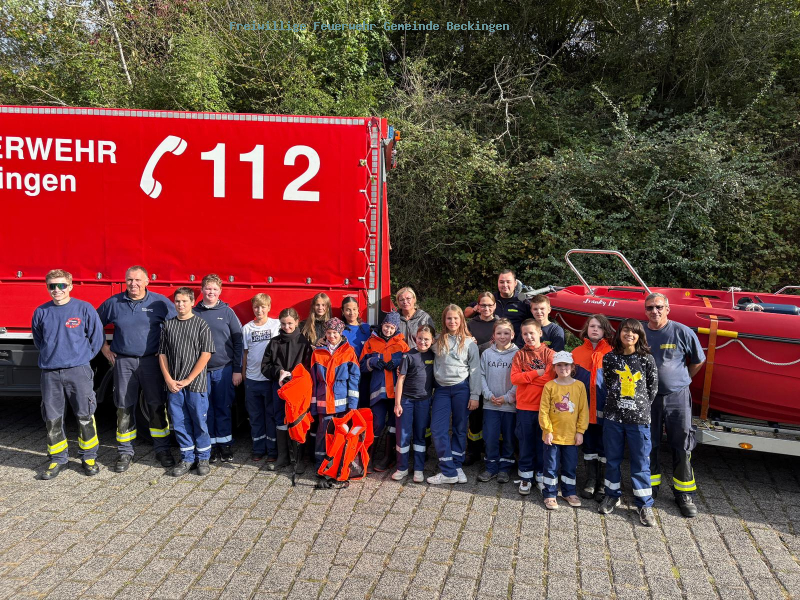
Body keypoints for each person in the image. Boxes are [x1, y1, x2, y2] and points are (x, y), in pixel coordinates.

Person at [98, 265, 177, 473]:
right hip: (123, 362)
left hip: (151, 362)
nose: (133, 284)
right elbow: (93, 325)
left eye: (138, 280)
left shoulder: (159, 303)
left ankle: (162, 449)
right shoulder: (114, 303)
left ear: (147, 281)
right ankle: (125, 451)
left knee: (156, 405)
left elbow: (178, 325)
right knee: (124, 406)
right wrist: (103, 347)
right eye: (129, 280)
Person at [32, 269, 104, 479]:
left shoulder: (84, 309)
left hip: (78, 371)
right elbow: (39, 340)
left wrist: (81, 358)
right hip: (50, 373)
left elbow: (97, 338)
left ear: (70, 286)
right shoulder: (41, 312)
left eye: (61, 285)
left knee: (84, 414)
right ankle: (58, 459)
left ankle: (89, 457)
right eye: (52, 286)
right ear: (47, 288)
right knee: (52, 417)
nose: (57, 290)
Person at [643, 292, 706, 518]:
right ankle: (650, 486)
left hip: (677, 397)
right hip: (648, 399)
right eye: (650, 308)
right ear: (645, 311)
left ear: (667, 308)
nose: (654, 311)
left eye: (659, 307)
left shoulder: (682, 331)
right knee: (649, 443)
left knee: (682, 443)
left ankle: (684, 493)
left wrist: (683, 379)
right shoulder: (640, 332)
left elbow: (698, 360)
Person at [599, 318, 659, 526]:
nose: (629, 335)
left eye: (634, 332)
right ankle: (611, 495)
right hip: (613, 418)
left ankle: (644, 504)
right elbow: (608, 383)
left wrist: (638, 407)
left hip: (638, 420)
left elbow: (652, 388)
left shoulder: (646, 359)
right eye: (625, 330)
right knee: (612, 459)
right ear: (619, 333)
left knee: (641, 462)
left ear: (639, 336)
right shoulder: (609, 359)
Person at [158, 287, 215, 477]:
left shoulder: (201, 324)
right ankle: (187, 458)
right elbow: (162, 354)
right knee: (180, 422)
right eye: (177, 301)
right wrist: (168, 379)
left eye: (184, 301)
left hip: (195, 384)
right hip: (174, 384)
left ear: (192, 302)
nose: (180, 305)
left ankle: (203, 457)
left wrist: (189, 378)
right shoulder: (168, 325)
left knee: (199, 420)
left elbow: (206, 354)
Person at [427, 305, 480, 485]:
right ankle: (448, 469)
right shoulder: (437, 341)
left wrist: (475, 395)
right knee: (438, 428)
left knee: (459, 428)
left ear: (461, 320)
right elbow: (421, 344)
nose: (452, 322)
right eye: (449, 318)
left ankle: (457, 466)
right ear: (444, 321)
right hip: (442, 390)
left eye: (456, 318)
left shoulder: (470, 343)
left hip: (462, 389)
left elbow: (475, 371)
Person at [193, 274, 243, 464]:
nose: (211, 292)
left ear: (220, 291)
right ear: (202, 290)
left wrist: (237, 369)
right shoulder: (195, 312)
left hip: (224, 369)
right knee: (205, 410)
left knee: (223, 408)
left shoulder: (228, 312)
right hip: (201, 371)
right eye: (208, 288)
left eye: (214, 289)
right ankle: (210, 447)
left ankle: (225, 446)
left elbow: (238, 341)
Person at [261, 307, 312, 473]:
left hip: (298, 390)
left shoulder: (304, 343)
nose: (286, 327)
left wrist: (295, 376)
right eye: (283, 324)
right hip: (279, 388)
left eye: (290, 323)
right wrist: (278, 373)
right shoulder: (274, 342)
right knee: (280, 419)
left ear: (297, 322)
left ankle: (298, 459)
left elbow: (309, 367)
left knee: (297, 421)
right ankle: (282, 457)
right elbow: (265, 366)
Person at [359, 311, 409, 472]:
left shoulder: (402, 344)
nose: (388, 330)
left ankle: (388, 457)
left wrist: (398, 362)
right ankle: (368, 455)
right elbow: (360, 366)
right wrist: (372, 362)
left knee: (393, 424)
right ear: (382, 325)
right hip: (378, 393)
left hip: (396, 393)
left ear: (397, 328)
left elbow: (410, 365)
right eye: (387, 326)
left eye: (392, 327)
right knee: (376, 423)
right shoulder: (371, 342)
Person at [510, 319, 556, 495]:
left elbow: (550, 378)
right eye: (525, 334)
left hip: (544, 408)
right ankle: (525, 477)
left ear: (540, 333)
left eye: (532, 333)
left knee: (543, 443)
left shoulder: (550, 354)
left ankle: (540, 476)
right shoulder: (519, 355)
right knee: (525, 442)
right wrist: (537, 373)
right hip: (524, 406)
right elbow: (514, 379)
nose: (529, 337)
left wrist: (526, 377)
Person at [310, 318, 360, 471]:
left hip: (342, 405)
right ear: (325, 334)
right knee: (322, 433)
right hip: (323, 404)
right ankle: (320, 462)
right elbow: (313, 382)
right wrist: (312, 407)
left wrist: (352, 405)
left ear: (341, 333)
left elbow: (354, 380)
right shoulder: (317, 353)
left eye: (335, 333)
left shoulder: (349, 352)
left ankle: (338, 461)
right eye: (329, 333)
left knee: (340, 434)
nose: (332, 336)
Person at [539, 351, 588, 509]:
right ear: (554, 367)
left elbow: (583, 411)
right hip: (552, 436)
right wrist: (547, 430)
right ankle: (550, 494)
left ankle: (569, 492)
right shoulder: (550, 386)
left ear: (572, 366)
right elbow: (544, 410)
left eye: (566, 365)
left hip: (571, 437)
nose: (563, 368)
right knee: (551, 465)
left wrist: (580, 431)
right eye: (559, 365)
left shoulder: (579, 386)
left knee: (570, 465)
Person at [572, 314, 613, 501]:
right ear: (586, 330)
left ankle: (603, 483)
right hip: (584, 411)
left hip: (606, 410)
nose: (595, 329)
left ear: (605, 330)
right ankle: (590, 479)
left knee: (605, 447)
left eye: (599, 326)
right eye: (591, 326)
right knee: (588, 446)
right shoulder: (576, 353)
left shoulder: (612, 353)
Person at [392, 324, 436, 483]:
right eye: (419, 338)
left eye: (426, 339)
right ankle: (402, 468)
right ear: (414, 338)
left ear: (432, 340)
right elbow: (400, 380)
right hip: (406, 401)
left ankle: (418, 469)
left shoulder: (434, 355)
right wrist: (398, 404)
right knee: (403, 434)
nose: (422, 342)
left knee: (420, 435)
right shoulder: (408, 356)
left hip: (424, 402)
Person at [477, 319, 518, 484]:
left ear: (513, 335)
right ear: (493, 335)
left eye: (506, 333)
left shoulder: (518, 354)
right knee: (490, 436)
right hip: (491, 404)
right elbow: (480, 376)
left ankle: (505, 468)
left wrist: (508, 397)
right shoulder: (487, 354)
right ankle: (491, 467)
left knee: (509, 438)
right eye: (499, 333)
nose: (503, 336)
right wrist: (488, 394)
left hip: (509, 405)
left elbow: (519, 380)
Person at [241, 294, 281, 465]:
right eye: (256, 307)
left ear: (269, 307)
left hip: (269, 379)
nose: (259, 310)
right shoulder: (247, 328)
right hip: (252, 379)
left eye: (263, 307)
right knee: (255, 416)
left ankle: (272, 450)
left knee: (270, 415)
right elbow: (245, 353)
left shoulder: (276, 325)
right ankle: (258, 448)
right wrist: (243, 375)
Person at [464, 291, 498, 466]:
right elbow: (467, 351)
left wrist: (480, 347)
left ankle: (492, 451)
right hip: (475, 375)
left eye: (489, 305)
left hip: (496, 376)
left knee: (492, 415)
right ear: (477, 307)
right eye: (482, 305)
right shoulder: (471, 325)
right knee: (475, 416)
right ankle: (473, 450)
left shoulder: (500, 325)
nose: (486, 308)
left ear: (495, 306)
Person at [465, 270, 532, 348]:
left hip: (516, 348)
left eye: (508, 282)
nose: (505, 285)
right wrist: (475, 309)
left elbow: (536, 323)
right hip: (491, 349)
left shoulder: (522, 301)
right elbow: (467, 313)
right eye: (501, 282)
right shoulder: (490, 299)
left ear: (515, 283)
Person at [341, 295, 373, 408]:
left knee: (364, 406)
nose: (351, 312)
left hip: (365, 375)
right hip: (347, 375)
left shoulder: (367, 329)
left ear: (358, 310)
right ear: (343, 311)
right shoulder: (340, 330)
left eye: (354, 309)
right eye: (348, 309)